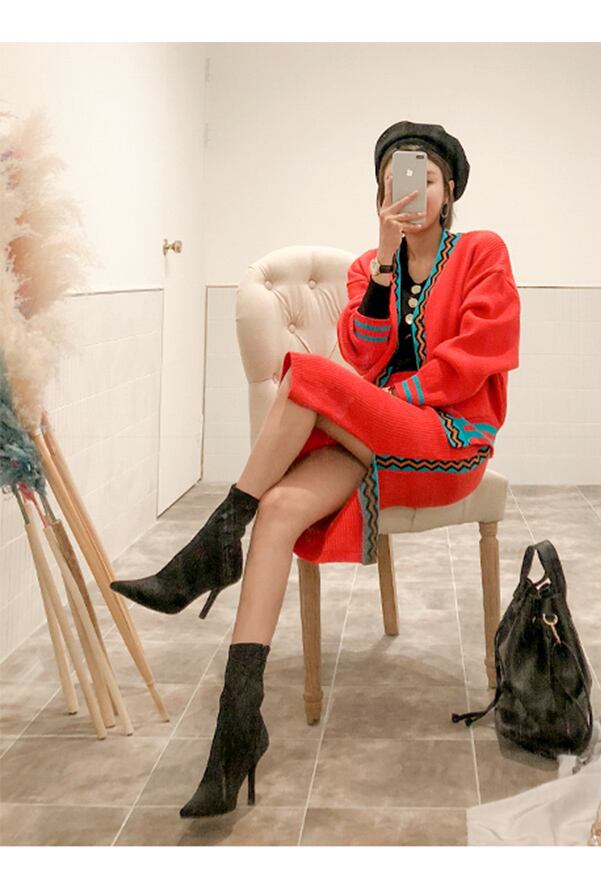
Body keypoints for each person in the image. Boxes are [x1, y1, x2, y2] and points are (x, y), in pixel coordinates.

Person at [110, 120, 521, 817]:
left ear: (450, 188)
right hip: (379, 445)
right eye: (394, 179)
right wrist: (385, 266)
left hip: (451, 443)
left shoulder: (483, 251)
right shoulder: (368, 269)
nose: (411, 189)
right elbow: (361, 356)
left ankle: (213, 541)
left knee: (304, 374)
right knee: (279, 511)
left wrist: (390, 401)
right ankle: (237, 730)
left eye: (425, 176)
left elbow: (480, 351)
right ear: (381, 194)